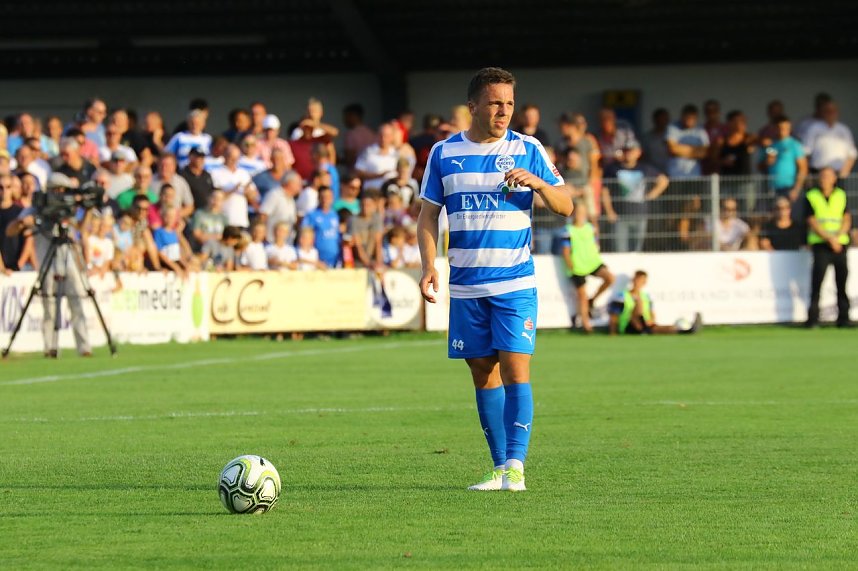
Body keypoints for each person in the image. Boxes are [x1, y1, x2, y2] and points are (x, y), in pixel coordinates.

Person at [417, 67, 572, 492]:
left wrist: (539, 183)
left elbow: (566, 205)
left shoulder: (528, 148)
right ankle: (501, 467)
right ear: (473, 106)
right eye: (495, 103)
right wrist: (429, 264)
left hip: (514, 282)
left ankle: (517, 468)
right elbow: (429, 214)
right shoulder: (443, 153)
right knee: (483, 372)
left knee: (515, 368)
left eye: (509, 103)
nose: (504, 111)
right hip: (466, 286)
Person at [6, 173, 92, 357]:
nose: (61, 195)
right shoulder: (38, 208)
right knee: (49, 305)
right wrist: (24, 222)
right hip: (47, 260)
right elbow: (11, 230)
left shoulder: (68, 208)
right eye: (58, 190)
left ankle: (84, 346)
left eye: (64, 191)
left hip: (68, 258)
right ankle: (50, 347)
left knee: (77, 300)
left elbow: (82, 230)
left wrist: (89, 210)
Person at [805, 168, 851, 328]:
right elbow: (811, 220)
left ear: (834, 179)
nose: (824, 179)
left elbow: (846, 218)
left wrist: (837, 237)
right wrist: (830, 238)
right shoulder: (812, 195)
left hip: (840, 245)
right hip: (821, 244)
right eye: (822, 176)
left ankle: (844, 319)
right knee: (817, 283)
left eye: (827, 176)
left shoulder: (841, 195)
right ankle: (812, 319)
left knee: (842, 283)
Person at [602, 142, 669, 252]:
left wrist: (651, 195)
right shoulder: (613, 169)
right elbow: (605, 190)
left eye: (631, 151)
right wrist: (609, 211)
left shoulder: (645, 168)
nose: (629, 154)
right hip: (620, 216)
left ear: (638, 153)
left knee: (637, 250)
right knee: (620, 249)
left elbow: (663, 180)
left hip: (640, 214)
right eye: (626, 151)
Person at [562, 201, 615, 333]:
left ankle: (593, 300)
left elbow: (595, 243)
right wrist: (571, 265)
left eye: (583, 213)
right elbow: (566, 251)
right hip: (577, 265)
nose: (581, 215)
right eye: (579, 213)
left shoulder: (590, 228)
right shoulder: (568, 231)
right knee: (582, 295)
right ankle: (586, 325)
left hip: (592, 262)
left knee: (610, 278)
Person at [608, 270, 702, 335]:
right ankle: (644, 328)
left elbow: (651, 313)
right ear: (633, 280)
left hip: (644, 324)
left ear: (645, 282)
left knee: (662, 329)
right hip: (629, 326)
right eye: (637, 280)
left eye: (641, 281)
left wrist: (651, 321)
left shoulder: (646, 297)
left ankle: (685, 331)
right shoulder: (622, 296)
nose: (638, 283)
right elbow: (614, 316)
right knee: (638, 303)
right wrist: (613, 333)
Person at [759, 115, 807, 211]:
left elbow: (803, 168)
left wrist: (796, 189)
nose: (782, 130)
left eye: (785, 128)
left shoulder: (795, 145)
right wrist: (767, 162)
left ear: (789, 129)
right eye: (780, 128)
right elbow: (760, 166)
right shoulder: (771, 145)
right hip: (772, 188)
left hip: (790, 188)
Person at [800, 99, 857, 177]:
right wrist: (806, 174)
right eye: (827, 111)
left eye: (833, 111)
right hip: (817, 173)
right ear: (822, 113)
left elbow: (852, 154)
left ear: (838, 112)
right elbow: (806, 152)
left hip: (838, 174)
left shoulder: (844, 130)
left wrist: (844, 172)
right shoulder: (813, 128)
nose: (830, 113)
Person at [301, 186, 340, 268]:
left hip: (334, 259)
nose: (325, 200)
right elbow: (305, 236)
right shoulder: (311, 215)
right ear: (318, 198)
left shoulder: (335, 215)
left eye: (328, 197)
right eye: (323, 197)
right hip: (317, 259)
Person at [354, 124, 400, 192]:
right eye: (381, 135)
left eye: (387, 136)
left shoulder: (396, 154)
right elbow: (358, 171)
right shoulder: (368, 152)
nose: (383, 139)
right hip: (371, 192)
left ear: (392, 137)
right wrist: (378, 175)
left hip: (390, 193)